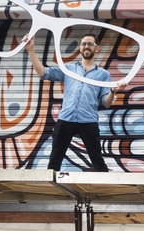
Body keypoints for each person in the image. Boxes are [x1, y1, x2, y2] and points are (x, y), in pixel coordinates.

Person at [22, 32, 127, 172]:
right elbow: (43, 73)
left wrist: (113, 91)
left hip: (88, 121)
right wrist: (30, 50)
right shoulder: (68, 70)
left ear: (97, 48)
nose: (86, 46)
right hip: (66, 119)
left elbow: (106, 103)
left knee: (98, 163)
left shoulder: (103, 74)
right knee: (54, 162)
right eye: (84, 44)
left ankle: (105, 192)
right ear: (80, 48)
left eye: (90, 44)